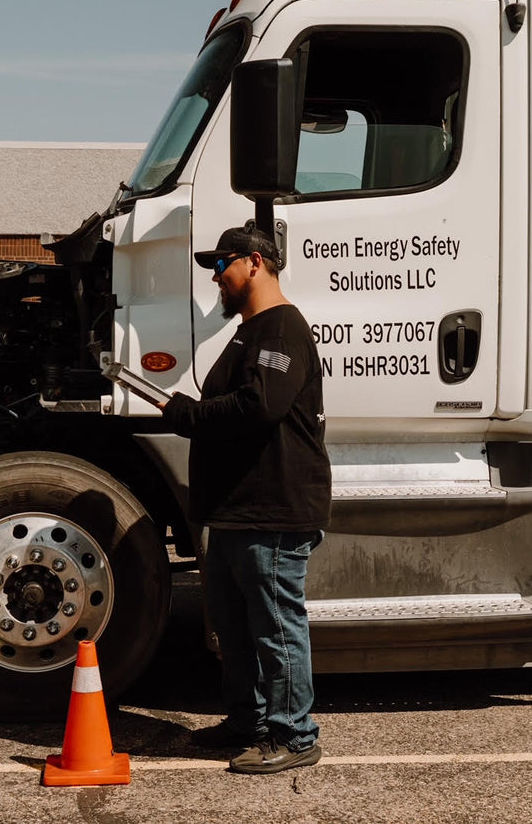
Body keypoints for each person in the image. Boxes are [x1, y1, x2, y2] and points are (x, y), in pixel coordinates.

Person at [161, 223, 332, 775]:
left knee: (275, 627)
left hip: (272, 509)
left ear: (254, 262)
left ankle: (296, 736)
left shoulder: (280, 329)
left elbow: (259, 406)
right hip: (238, 509)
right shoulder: (250, 331)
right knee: (234, 629)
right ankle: (248, 723)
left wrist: (189, 416)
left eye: (222, 265)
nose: (215, 276)